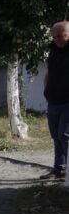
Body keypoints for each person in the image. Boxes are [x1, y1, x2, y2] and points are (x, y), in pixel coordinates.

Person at [41, 20, 69, 180]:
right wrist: (46, 87)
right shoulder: (53, 50)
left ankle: (64, 168)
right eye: (55, 36)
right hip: (53, 99)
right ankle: (58, 169)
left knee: (63, 134)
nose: (58, 39)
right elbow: (49, 71)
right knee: (56, 135)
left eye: (62, 36)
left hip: (67, 100)